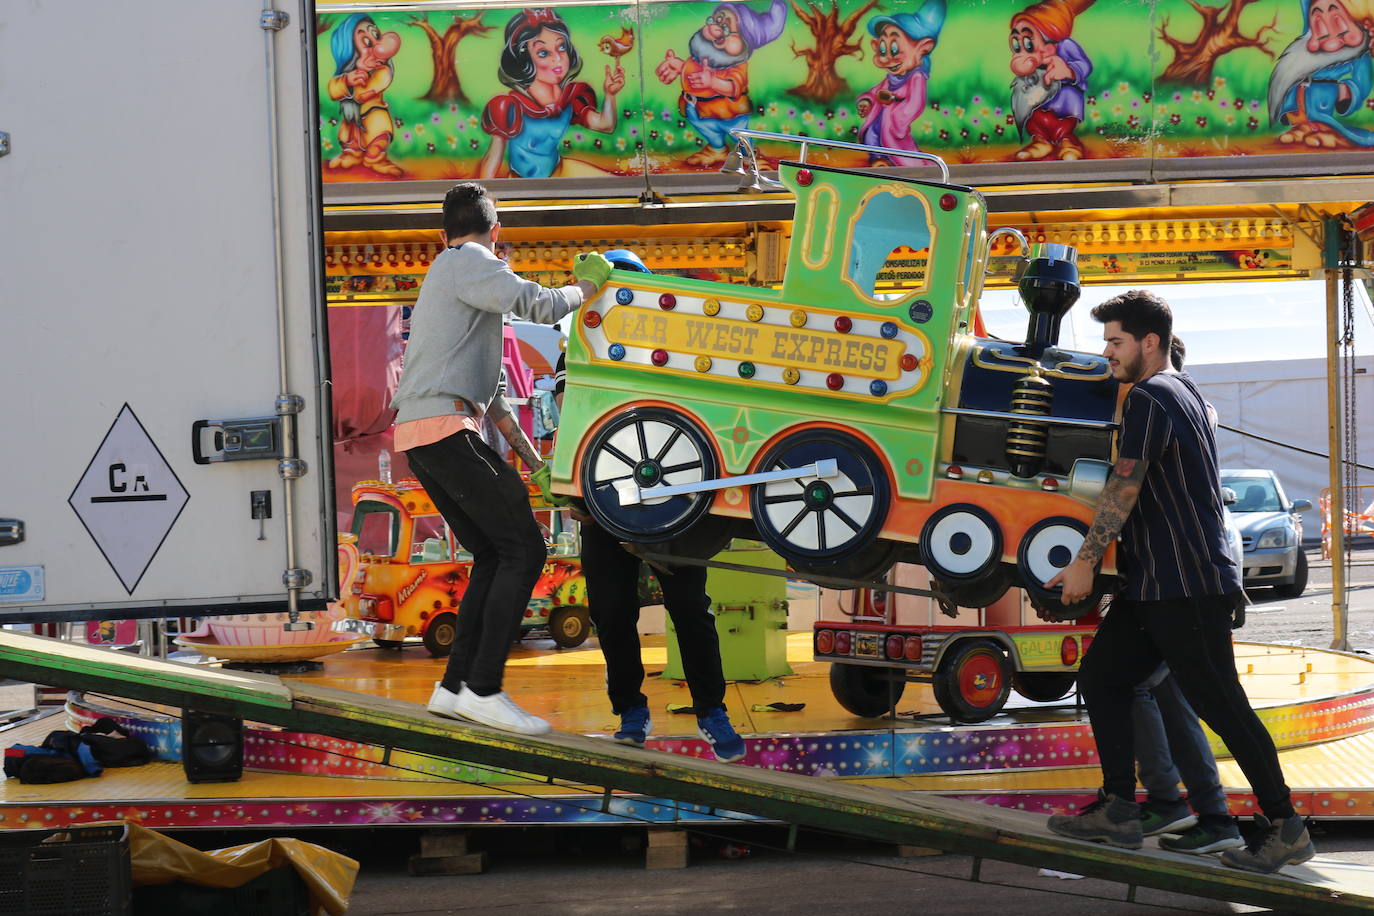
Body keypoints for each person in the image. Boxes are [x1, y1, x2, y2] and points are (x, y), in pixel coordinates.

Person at [1045, 290, 1313, 874]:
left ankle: (1284, 826)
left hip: (1185, 584)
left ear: (1149, 342)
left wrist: (1086, 561)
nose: (1107, 353)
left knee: (1223, 705)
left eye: (1115, 342)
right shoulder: (1186, 391)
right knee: (1104, 677)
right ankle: (1119, 807)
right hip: (1155, 585)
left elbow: (1125, 484)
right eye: (1106, 341)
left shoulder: (1151, 396)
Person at [393, 181, 611, 736]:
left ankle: (453, 688)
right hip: (443, 430)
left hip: (424, 435)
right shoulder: (466, 260)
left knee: (495, 553)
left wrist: (529, 459)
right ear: (497, 233)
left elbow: (491, 396)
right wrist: (588, 286)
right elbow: (537, 302)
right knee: (525, 549)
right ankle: (484, 689)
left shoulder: (457, 283)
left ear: (441, 231)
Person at [553, 249, 747, 762]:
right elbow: (569, 419)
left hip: (676, 502)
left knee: (689, 609)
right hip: (606, 501)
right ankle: (631, 711)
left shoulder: (675, 346)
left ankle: (711, 709)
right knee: (611, 612)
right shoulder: (574, 348)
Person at [1130, 335, 1244, 855]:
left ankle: (1179, 802)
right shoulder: (1202, 409)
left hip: (1185, 580)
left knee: (1139, 684)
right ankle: (1204, 809)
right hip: (1188, 574)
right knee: (1175, 693)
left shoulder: (1165, 406)